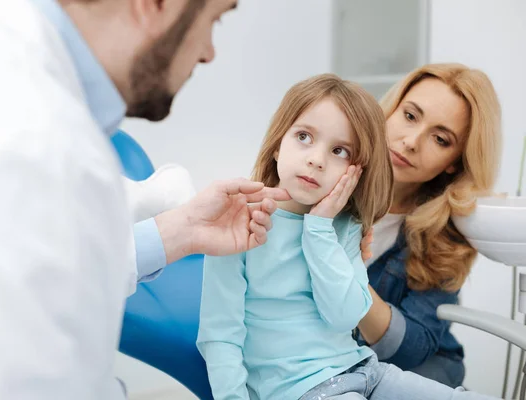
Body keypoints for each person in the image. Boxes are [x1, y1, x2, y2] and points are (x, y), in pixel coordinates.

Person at [0, 0, 290, 399]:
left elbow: (51, 263)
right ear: (154, 5)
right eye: (213, 20)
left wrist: (184, 230)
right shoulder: (35, 142)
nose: (208, 51)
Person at [197, 73, 498, 400]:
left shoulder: (344, 227)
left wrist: (320, 230)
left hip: (366, 369)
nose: (316, 159)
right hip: (305, 389)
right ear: (276, 145)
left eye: (339, 150)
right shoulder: (240, 223)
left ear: (358, 168)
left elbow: (345, 315)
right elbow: (220, 335)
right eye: (303, 137)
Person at [356, 63, 502, 388]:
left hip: (423, 369)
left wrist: (342, 274)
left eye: (440, 138)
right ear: (391, 110)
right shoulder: (325, 173)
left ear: (454, 163)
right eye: (409, 116)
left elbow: (411, 350)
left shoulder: (447, 234)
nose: (411, 142)